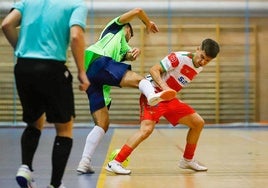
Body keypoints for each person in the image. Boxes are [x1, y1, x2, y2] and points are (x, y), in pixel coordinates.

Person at [76, 8, 176, 174]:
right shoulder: (115, 27)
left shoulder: (119, 50)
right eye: (130, 36)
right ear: (128, 29)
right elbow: (138, 10)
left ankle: (84, 162)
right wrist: (147, 22)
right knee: (141, 80)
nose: (129, 40)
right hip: (99, 63)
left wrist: (131, 54)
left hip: (93, 78)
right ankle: (152, 96)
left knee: (102, 124)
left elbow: (126, 55)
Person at [1, 0, 90, 187]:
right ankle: (55, 184)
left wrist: (20, 49)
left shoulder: (28, 2)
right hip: (52, 68)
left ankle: (25, 167)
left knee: (34, 120)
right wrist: (82, 72)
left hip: (24, 67)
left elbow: (7, 24)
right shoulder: (75, 5)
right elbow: (75, 36)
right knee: (64, 128)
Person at [105, 38, 220, 175]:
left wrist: (170, 94)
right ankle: (115, 162)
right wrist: (164, 88)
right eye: (202, 57)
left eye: (207, 60)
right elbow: (154, 70)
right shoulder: (178, 57)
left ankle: (187, 160)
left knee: (198, 123)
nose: (203, 62)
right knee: (146, 130)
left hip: (169, 99)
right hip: (153, 94)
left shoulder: (199, 67)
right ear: (197, 49)